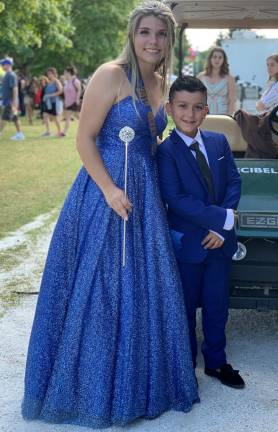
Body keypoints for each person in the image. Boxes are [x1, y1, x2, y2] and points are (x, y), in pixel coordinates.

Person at [21, 2, 199, 428]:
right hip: (105, 195)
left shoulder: (162, 84)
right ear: (132, 35)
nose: (152, 41)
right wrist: (109, 189)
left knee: (142, 288)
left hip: (145, 201)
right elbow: (83, 139)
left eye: (160, 34)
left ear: (169, 41)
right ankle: (92, 389)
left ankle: (137, 385)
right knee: (101, 287)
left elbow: (156, 145)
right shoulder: (110, 74)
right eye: (145, 32)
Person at [157, 75, 245, 390]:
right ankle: (185, 368)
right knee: (185, 306)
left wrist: (223, 227)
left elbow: (234, 182)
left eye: (197, 107)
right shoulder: (166, 152)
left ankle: (216, 363)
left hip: (219, 242)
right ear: (169, 108)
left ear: (206, 109)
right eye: (182, 106)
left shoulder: (219, 143)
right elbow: (176, 199)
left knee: (216, 304)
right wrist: (221, 219)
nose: (189, 114)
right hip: (189, 245)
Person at [234, 54, 278, 158]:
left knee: (242, 116)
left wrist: (260, 104)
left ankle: (264, 152)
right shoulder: (272, 85)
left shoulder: (276, 86)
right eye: (267, 65)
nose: (269, 68)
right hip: (269, 118)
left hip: (272, 120)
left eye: (272, 65)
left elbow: (261, 105)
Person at [198, 46, 236, 115]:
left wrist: (229, 118)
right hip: (205, 116)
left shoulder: (229, 78)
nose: (217, 60)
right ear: (210, 59)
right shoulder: (201, 77)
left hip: (223, 116)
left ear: (224, 60)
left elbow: (232, 101)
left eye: (220, 57)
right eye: (214, 57)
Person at [0, 57, 25, 141]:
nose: (2, 66)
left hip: (10, 101)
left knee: (4, 117)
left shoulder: (11, 75)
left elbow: (15, 88)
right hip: (7, 100)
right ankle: (20, 134)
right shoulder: (6, 75)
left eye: (3, 64)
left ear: (8, 65)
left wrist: (14, 101)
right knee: (15, 117)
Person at [41, 67, 63, 137]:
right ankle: (48, 131)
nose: (49, 75)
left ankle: (60, 132)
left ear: (54, 74)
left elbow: (60, 91)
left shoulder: (56, 81)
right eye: (48, 73)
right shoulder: (48, 82)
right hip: (48, 102)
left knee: (55, 118)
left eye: (50, 73)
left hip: (54, 102)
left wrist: (50, 95)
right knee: (45, 115)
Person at [62, 65, 81, 136]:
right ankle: (64, 132)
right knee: (68, 118)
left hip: (74, 102)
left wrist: (77, 99)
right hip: (68, 103)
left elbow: (79, 90)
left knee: (79, 117)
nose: (64, 74)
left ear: (69, 72)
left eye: (65, 72)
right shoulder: (67, 81)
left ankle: (89, 132)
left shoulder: (75, 81)